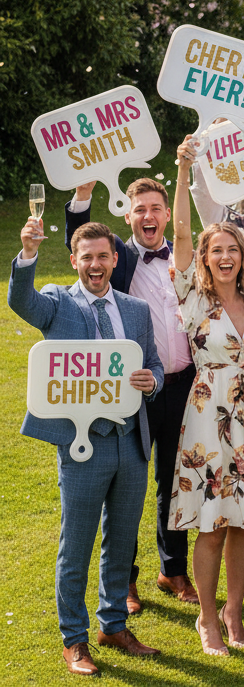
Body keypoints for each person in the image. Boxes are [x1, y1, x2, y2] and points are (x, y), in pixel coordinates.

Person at [11, 216, 163, 675]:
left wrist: (151, 381)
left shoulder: (135, 309)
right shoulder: (57, 303)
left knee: (122, 540)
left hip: (131, 441)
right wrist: (27, 255)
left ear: (115, 260)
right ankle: (74, 639)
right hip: (82, 443)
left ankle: (112, 623)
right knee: (76, 542)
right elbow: (21, 300)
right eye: (87, 257)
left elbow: (153, 364)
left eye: (103, 256)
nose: (95, 264)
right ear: (74, 260)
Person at [170, 136, 244, 657]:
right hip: (208, 416)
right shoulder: (193, 299)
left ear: (242, 258)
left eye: (231, 250)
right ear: (205, 258)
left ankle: (234, 614)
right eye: (215, 250)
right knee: (213, 525)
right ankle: (206, 619)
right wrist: (182, 170)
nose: (223, 257)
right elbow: (179, 231)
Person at [65, 178, 199, 610]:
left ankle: (173, 569)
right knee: (122, 488)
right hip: (130, 393)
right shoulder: (118, 259)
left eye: (156, 208)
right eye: (140, 209)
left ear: (166, 214)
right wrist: (81, 199)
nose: (148, 216)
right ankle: (124, 580)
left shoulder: (183, 258)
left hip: (181, 387)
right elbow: (87, 246)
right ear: (128, 216)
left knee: (173, 483)